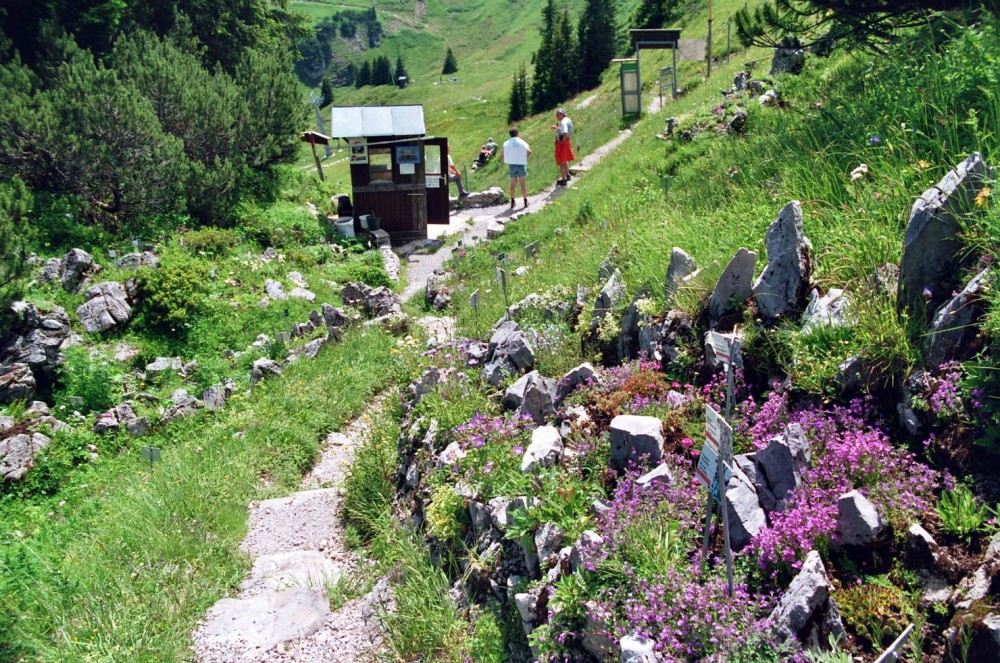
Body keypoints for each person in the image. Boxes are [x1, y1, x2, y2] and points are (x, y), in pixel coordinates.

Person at [501, 127, 531, 209]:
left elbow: (502, 157)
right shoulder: (522, 142)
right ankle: (525, 201)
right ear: (518, 133)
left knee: (512, 184)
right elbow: (529, 151)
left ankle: (512, 201)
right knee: (523, 184)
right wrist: (524, 158)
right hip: (521, 164)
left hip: (512, 165)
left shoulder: (506, 143)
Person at [549, 108, 574, 185]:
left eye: (558, 114)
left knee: (561, 161)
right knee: (564, 160)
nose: (557, 116)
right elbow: (564, 129)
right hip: (567, 141)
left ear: (562, 114)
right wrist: (557, 128)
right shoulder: (567, 120)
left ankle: (564, 180)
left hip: (562, 143)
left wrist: (561, 141)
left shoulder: (563, 122)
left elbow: (565, 132)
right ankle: (567, 175)